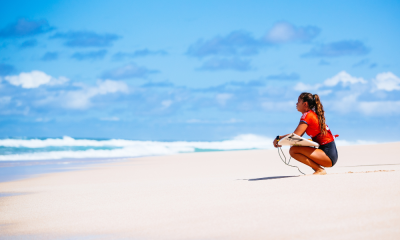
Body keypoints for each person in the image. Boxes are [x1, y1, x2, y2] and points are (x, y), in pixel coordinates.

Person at [273, 92, 338, 175]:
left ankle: (319, 170)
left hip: (328, 155)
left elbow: (295, 136)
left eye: (298, 101)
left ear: (305, 104)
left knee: (294, 150)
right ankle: (318, 169)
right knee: (296, 147)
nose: (296, 104)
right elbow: (297, 136)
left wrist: (279, 138)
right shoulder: (311, 114)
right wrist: (281, 138)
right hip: (329, 153)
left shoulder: (307, 115)